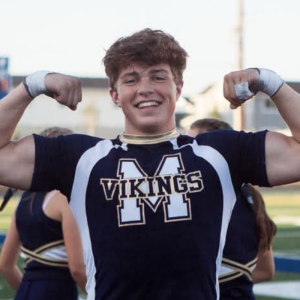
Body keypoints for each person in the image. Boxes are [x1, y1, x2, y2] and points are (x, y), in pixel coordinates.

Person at [0, 28, 299, 300]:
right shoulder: (82, 158)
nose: (145, 88)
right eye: (131, 79)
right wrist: (33, 85)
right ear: (115, 95)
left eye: (158, 76)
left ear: (178, 87)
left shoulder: (219, 152)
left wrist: (270, 81)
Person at [188, 118, 277, 300]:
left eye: (193, 144)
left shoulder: (204, 199)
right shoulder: (250, 195)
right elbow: (266, 271)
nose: (184, 150)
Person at [0, 127, 86, 299]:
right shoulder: (64, 200)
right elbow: (77, 268)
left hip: (27, 291)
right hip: (58, 293)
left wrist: (28, 293)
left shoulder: (24, 199)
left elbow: (5, 265)